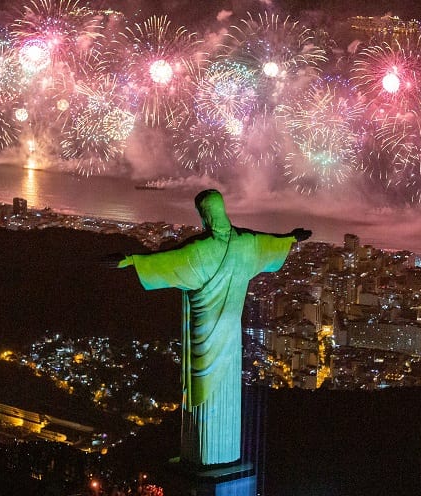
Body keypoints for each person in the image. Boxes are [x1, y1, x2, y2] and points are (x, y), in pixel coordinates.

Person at [111, 189, 311, 466]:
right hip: (231, 338)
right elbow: (270, 245)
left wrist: (131, 260)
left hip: (203, 336)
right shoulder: (247, 244)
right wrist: (291, 239)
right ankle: (224, 455)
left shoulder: (201, 250)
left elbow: (167, 263)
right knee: (227, 393)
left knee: (201, 392)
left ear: (204, 216)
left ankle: (203, 456)